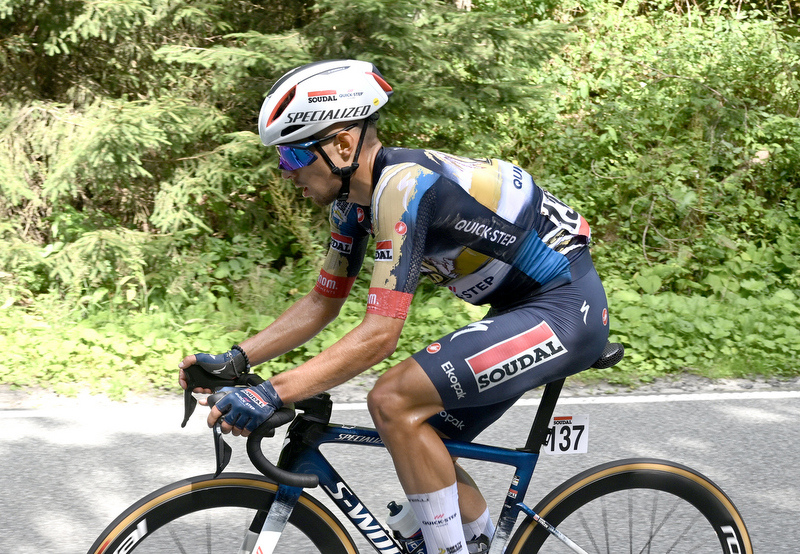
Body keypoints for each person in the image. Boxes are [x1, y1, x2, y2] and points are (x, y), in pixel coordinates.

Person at [178, 59, 610, 554]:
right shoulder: (352, 206)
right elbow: (324, 300)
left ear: (343, 146)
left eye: (294, 155)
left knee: (392, 400)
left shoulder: (404, 188)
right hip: (517, 309)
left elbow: (381, 334)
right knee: (420, 439)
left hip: (565, 309)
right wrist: (237, 360)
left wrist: (271, 392)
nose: (285, 171)